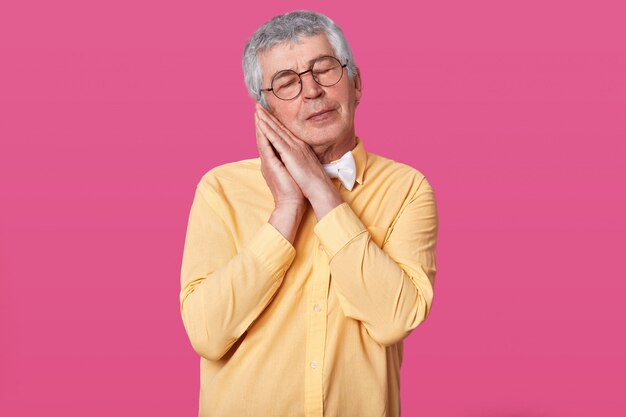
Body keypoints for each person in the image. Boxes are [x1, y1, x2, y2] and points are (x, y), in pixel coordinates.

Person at [179, 10, 439, 417]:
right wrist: (286, 209)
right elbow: (207, 335)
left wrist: (321, 191)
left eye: (325, 69)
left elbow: (394, 319)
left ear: (356, 83)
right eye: (287, 83)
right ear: (264, 110)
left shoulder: (407, 189)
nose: (312, 91)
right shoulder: (220, 190)